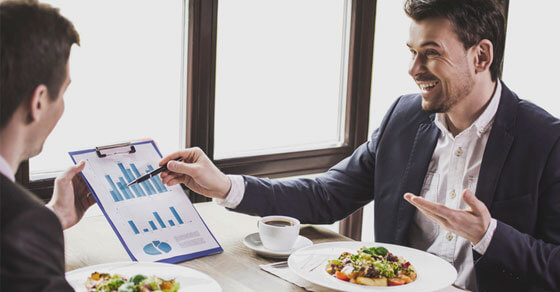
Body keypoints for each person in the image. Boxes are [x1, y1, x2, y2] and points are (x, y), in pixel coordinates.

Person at [157, 0, 560, 291]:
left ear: (481, 56)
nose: (414, 69)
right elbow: (326, 195)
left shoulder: (546, 140)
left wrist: (487, 234)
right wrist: (225, 186)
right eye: (412, 52)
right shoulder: (404, 118)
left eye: (431, 54)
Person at [0, 2, 95, 290]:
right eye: (63, 91)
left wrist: (52, 215)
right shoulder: (23, 222)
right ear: (38, 101)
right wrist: (35, 226)